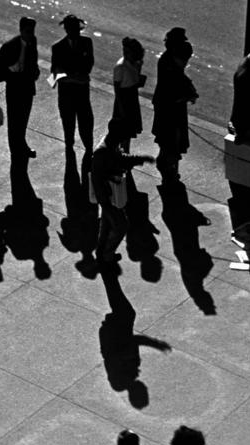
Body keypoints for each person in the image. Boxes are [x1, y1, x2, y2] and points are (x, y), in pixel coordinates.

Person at [90, 118, 155, 270]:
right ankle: (106, 254)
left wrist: (141, 159)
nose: (125, 139)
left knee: (107, 226)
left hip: (109, 195)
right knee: (120, 226)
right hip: (108, 197)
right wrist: (105, 202)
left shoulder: (111, 144)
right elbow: (98, 179)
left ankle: (102, 253)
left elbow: (121, 158)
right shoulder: (102, 153)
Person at [151, 28, 198, 185]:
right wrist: (186, 94)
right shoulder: (166, 62)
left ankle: (172, 172)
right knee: (169, 142)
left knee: (174, 143)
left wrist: (189, 89)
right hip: (168, 108)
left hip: (173, 107)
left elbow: (180, 75)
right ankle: (168, 173)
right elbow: (171, 86)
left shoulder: (171, 60)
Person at [0, 16, 40, 160]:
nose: (30, 34)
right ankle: (16, 150)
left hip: (27, 86)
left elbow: (33, 61)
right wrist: (10, 72)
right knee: (14, 121)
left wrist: (35, 72)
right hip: (14, 87)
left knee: (23, 119)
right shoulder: (9, 46)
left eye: (32, 31)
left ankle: (22, 144)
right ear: (21, 30)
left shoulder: (32, 41)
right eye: (27, 31)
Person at [50, 14, 94, 156]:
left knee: (86, 123)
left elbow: (89, 65)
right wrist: (76, 76)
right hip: (67, 93)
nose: (74, 32)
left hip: (80, 92)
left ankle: (89, 148)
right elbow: (54, 71)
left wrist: (69, 75)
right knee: (68, 125)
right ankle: (70, 147)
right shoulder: (57, 47)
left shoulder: (87, 42)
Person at [112, 37, 146, 151]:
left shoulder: (137, 62)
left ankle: (125, 151)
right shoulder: (120, 67)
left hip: (132, 96)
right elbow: (117, 89)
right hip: (124, 98)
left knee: (128, 131)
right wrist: (121, 109)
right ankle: (119, 153)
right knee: (121, 130)